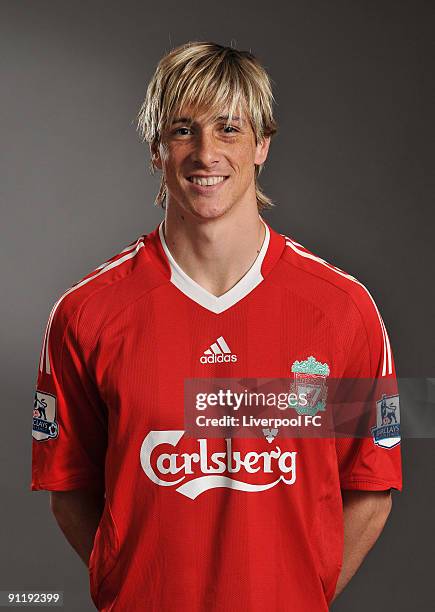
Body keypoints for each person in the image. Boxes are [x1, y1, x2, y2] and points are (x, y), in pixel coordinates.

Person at [31, 41, 402, 611]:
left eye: (229, 129)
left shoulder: (343, 309)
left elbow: (371, 491)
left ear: (263, 145)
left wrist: (297, 596)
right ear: (156, 148)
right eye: (183, 129)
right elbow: (69, 489)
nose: (206, 153)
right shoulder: (86, 313)